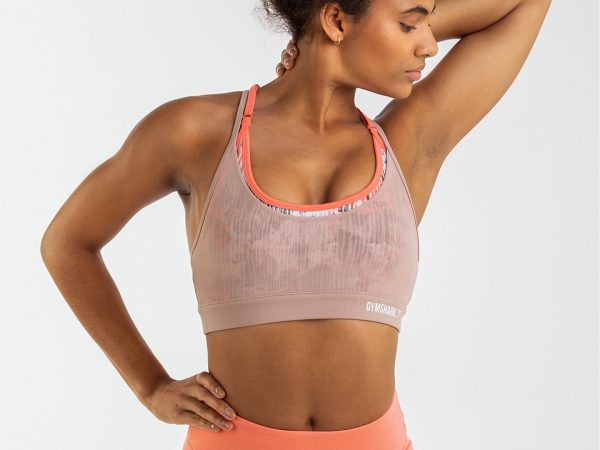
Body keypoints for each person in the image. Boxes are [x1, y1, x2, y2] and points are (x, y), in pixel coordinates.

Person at [40, 0, 552, 448]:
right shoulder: (196, 133)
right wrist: (150, 386)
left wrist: (368, 22)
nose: (430, 45)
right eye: (409, 25)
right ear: (337, 20)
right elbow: (68, 242)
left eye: (426, 24)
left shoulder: (408, 143)